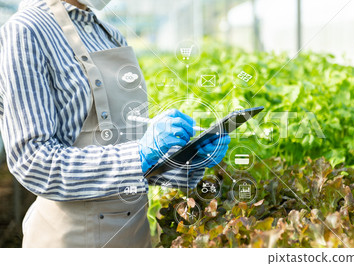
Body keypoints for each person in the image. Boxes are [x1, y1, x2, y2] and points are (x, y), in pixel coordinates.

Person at [0, 0, 230, 248]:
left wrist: (187, 159)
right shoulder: (27, 30)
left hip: (134, 235)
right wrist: (139, 154)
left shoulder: (110, 34)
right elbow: (33, 161)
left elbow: (133, 165)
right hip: (73, 240)